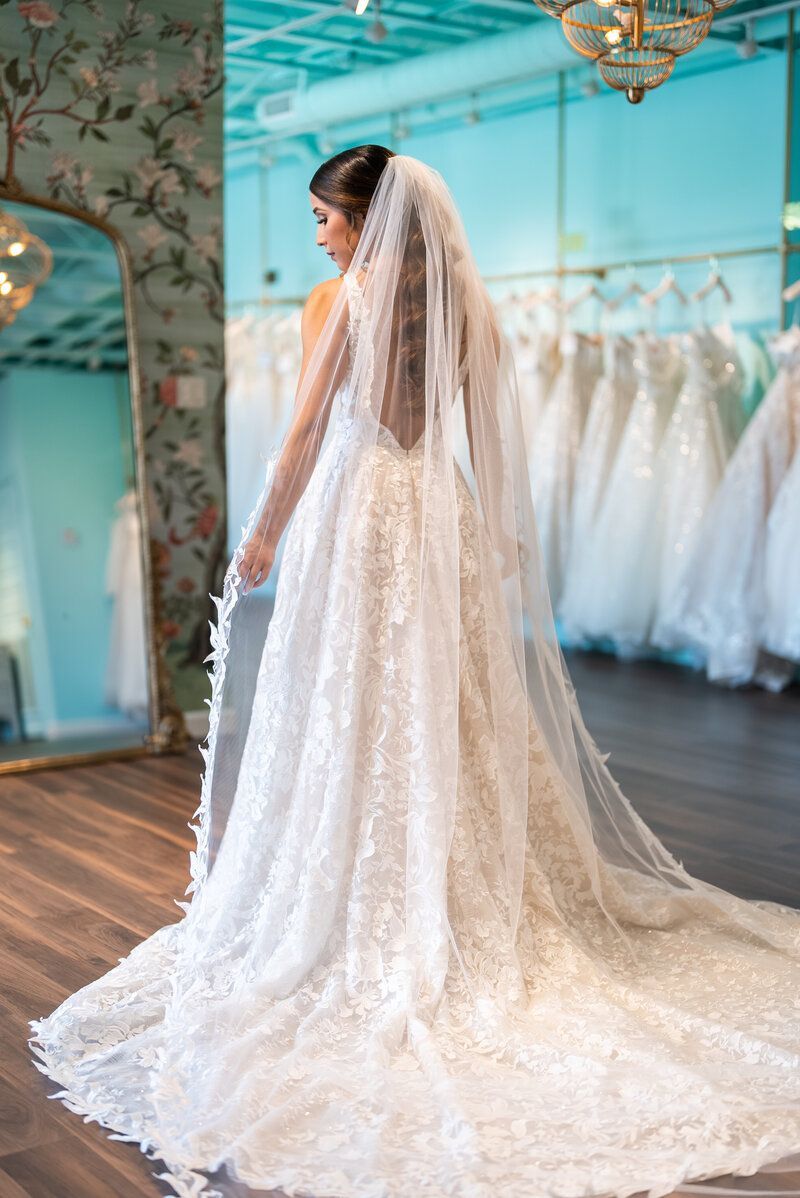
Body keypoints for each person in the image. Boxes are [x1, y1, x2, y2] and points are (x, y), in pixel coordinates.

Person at [28, 147, 800, 1198]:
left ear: (360, 220)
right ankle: (453, 868)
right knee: (451, 706)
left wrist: (259, 537)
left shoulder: (331, 302)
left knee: (343, 703)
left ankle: (358, 880)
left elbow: (303, 430)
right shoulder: (470, 312)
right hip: (438, 515)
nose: (318, 236)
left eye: (322, 217)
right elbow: (484, 443)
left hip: (354, 518)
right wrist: (502, 547)